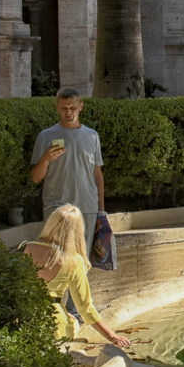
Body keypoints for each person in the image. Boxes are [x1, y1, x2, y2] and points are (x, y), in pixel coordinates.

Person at [19, 205, 130, 347]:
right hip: (53, 322)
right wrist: (112, 336)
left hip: (23, 317)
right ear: (77, 231)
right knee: (73, 322)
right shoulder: (74, 261)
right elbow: (85, 308)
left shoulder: (26, 248)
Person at [30, 89, 113, 269]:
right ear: (57, 108)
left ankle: (79, 298)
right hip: (56, 208)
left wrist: (101, 211)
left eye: (72, 108)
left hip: (87, 209)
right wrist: (45, 159)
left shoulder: (92, 136)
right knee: (56, 262)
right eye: (64, 108)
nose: (68, 112)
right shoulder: (46, 136)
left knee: (83, 264)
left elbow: (97, 175)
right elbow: (35, 178)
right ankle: (58, 298)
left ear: (80, 106)